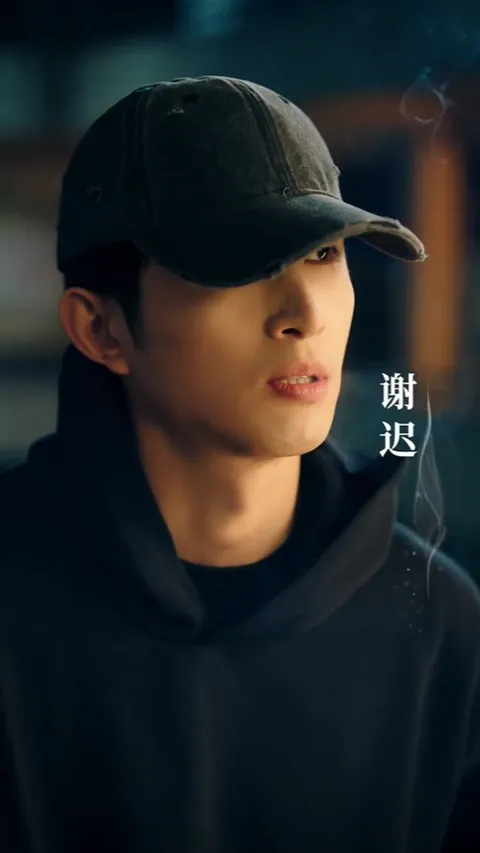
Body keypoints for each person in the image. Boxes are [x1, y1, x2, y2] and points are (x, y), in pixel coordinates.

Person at [0, 76, 478, 853]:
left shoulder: (438, 623)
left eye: (324, 252)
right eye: (238, 264)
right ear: (101, 330)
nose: (305, 313)